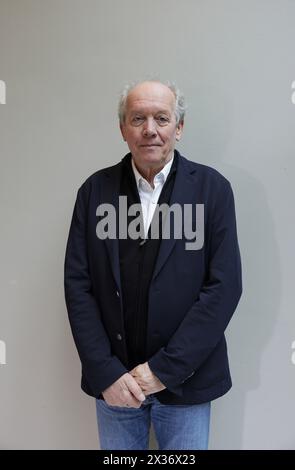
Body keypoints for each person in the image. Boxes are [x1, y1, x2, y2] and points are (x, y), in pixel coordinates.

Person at [64, 79, 242, 450]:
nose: (150, 130)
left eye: (161, 118)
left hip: (186, 384)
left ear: (179, 128)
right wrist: (106, 373)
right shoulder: (94, 191)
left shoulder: (213, 190)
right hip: (115, 384)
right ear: (122, 129)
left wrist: (164, 370)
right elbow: (78, 287)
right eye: (137, 118)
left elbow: (224, 288)